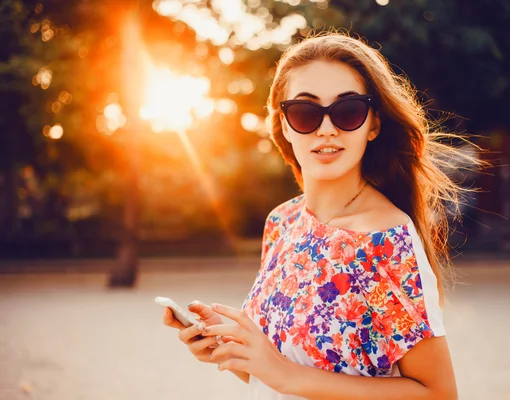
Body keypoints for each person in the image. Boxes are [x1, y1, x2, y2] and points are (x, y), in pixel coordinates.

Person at [163, 32, 477, 399]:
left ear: (373, 124)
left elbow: (439, 394)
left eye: (348, 111)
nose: (327, 128)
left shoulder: (386, 240)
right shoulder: (282, 221)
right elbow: (279, 377)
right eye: (305, 112)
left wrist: (286, 375)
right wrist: (235, 349)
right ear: (282, 124)